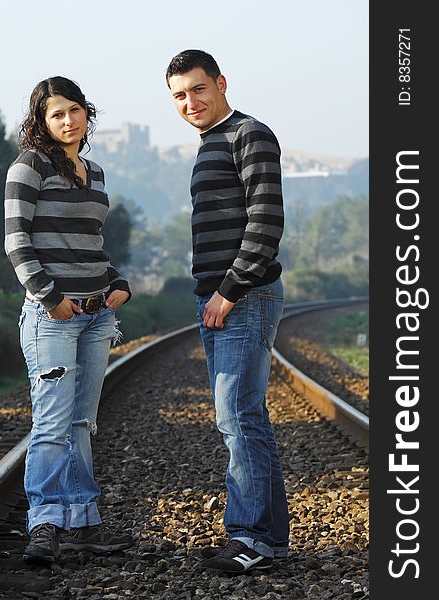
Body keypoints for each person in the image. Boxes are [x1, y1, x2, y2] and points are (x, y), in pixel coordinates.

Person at [165, 50, 290, 573]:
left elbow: (265, 222)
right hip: (217, 298)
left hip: (243, 296)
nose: (190, 102)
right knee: (244, 415)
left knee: (237, 415)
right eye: (178, 96)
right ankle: (265, 537)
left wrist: (229, 290)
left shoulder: (249, 135)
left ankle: (252, 539)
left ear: (220, 83)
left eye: (198, 89)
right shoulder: (209, 143)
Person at [4, 76, 134, 565]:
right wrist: (50, 297)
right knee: (52, 423)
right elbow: (18, 242)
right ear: (41, 121)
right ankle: (44, 523)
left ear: (86, 113)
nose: (67, 120)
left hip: (98, 316)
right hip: (52, 317)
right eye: (55, 113)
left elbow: (89, 243)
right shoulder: (29, 166)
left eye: (74, 110)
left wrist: (118, 282)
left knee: (81, 422)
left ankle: (82, 522)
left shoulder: (95, 171)